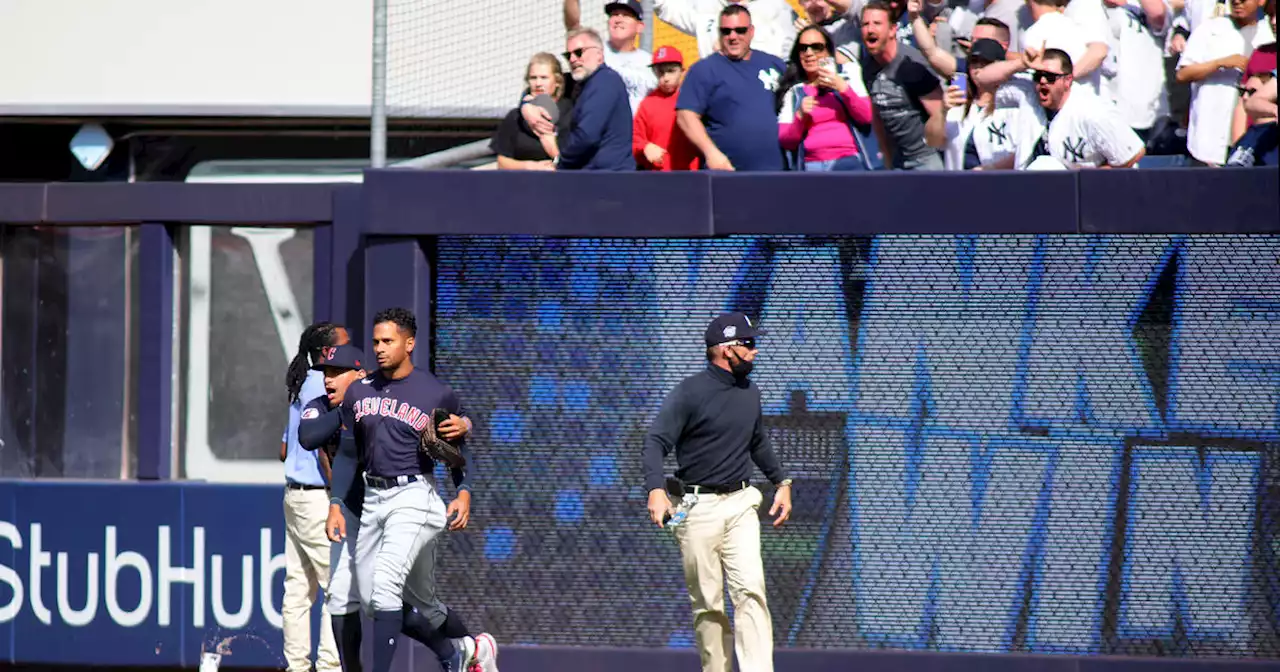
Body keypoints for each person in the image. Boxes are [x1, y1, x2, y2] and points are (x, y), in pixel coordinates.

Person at [298, 342, 498, 672]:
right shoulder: (325, 405)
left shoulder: (385, 401)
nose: (328, 380)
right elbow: (308, 436)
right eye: (325, 373)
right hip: (353, 513)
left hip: (400, 508)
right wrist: (354, 404)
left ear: (360, 374)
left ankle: (468, 651)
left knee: (419, 603)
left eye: (337, 373)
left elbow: (450, 439)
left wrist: (466, 424)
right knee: (343, 599)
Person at [642, 312, 793, 672]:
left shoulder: (750, 392)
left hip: (741, 502)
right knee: (708, 604)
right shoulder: (690, 392)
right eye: (749, 344)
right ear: (727, 350)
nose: (755, 351)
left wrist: (781, 482)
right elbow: (655, 442)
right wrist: (655, 490)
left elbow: (757, 442)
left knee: (751, 591)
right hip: (697, 508)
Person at [281, 321, 348, 672]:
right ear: (327, 353)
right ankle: (329, 667)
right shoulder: (321, 386)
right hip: (318, 498)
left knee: (297, 590)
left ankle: (296, 667)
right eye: (343, 346)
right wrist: (340, 495)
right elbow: (322, 450)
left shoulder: (299, 384)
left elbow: (282, 449)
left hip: (293, 495)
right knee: (336, 587)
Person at [677, 4, 789, 171]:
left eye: (740, 30)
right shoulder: (704, 70)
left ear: (751, 32)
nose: (733, 36)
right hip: (728, 174)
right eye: (726, 31)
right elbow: (685, 116)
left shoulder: (774, 64)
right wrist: (711, 153)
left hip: (777, 172)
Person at [1020, 48, 1146, 168]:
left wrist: (1087, 181)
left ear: (1067, 80)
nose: (1042, 81)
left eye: (1050, 77)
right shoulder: (1029, 97)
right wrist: (1022, 62)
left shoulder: (1092, 112)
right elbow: (1000, 78)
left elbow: (1133, 154)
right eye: (1038, 76)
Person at [859, 0, 948, 170]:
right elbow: (878, 115)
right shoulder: (867, 68)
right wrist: (887, 158)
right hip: (899, 160)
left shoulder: (912, 66)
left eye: (877, 23)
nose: (870, 29)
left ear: (893, 30)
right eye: (865, 24)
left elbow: (940, 116)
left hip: (927, 158)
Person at [776, 24, 875, 170]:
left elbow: (866, 117)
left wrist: (843, 88)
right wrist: (800, 117)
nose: (809, 53)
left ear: (828, 51)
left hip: (848, 161)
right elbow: (786, 141)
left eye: (816, 47)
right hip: (813, 166)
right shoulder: (794, 92)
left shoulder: (848, 75)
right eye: (803, 48)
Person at [556, 27, 636, 170]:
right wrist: (527, 104)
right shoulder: (584, 83)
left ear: (599, 55)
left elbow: (586, 136)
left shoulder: (605, 81)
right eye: (568, 55)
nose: (573, 59)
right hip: (595, 176)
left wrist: (560, 159)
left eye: (579, 52)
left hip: (607, 178)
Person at [563, 0, 658, 112]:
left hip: (637, 128)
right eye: (614, 15)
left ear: (639, 27)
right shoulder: (594, 50)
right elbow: (573, 27)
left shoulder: (651, 63)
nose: (618, 19)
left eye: (626, 15)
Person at [492, 53, 573, 171]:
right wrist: (530, 166)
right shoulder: (516, 116)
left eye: (544, 78)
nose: (538, 84)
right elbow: (502, 162)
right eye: (533, 78)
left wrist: (550, 144)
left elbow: (573, 162)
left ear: (557, 82)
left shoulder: (570, 114)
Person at [633, 45, 701, 170]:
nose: (665, 78)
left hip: (689, 176)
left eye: (671, 71)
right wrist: (645, 147)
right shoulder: (648, 103)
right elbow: (635, 138)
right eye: (660, 72)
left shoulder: (693, 99)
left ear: (682, 71)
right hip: (657, 176)